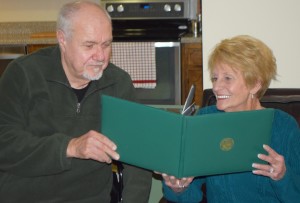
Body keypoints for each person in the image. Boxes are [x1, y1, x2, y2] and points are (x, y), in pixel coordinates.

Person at [0, 1, 152, 202]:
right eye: (89, 45)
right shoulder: (24, 74)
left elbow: (138, 155)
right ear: (62, 39)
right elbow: (5, 143)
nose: (100, 56)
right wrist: (69, 147)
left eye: (106, 44)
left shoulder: (118, 83)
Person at [162, 35, 300, 202]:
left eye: (227, 78)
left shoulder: (283, 126)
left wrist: (282, 177)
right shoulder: (206, 120)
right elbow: (191, 195)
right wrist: (178, 187)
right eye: (215, 78)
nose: (216, 87)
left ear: (255, 84)